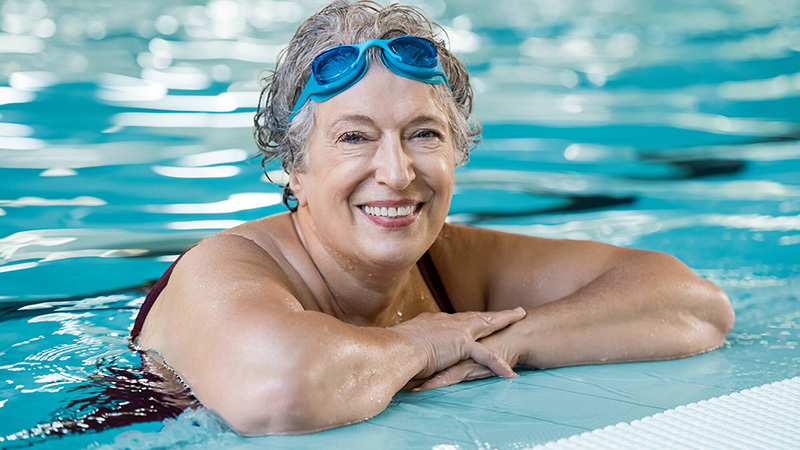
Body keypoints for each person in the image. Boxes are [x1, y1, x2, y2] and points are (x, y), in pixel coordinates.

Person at [130, 0, 735, 436]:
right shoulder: (226, 268)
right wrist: (422, 341)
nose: (396, 172)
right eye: (353, 138)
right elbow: (282, 392)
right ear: (293, 167)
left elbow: (693, 304)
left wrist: (512, 340)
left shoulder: (446, 263)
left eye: (423, 134)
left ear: (457, 152)